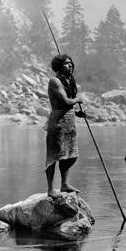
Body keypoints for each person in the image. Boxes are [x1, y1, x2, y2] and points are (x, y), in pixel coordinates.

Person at [45, 54, 86, 197]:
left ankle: (64, 184)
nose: (69, 66)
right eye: (65, 64)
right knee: (53, 156)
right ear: (58, 67)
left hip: (69, 122)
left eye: (70, 63)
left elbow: (69, 105)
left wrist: (78, 113)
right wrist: (78, 99)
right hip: (57, 123)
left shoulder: (69, 80)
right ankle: (50, 189)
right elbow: (65, 102)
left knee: (71, 155)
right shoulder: (54, 81)